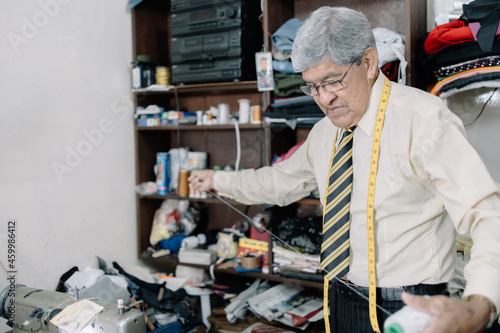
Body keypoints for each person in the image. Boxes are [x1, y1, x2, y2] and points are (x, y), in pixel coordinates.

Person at [189, 6, 500, 333]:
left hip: (408, 305)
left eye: (332, 81)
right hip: (337, 295)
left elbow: (487, 214)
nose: (323, 99)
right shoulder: (325, 133)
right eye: (311, 86)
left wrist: (480, 304)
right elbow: (279, 182)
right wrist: (217, 180)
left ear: (368, 63)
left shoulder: (424, 121)